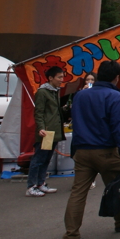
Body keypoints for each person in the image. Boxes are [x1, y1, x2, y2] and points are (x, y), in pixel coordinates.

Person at [62, 60, 120, 239]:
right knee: (115, 186)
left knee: (78, 193)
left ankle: (71, 235)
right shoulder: (115, 97)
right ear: (116, 77)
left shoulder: (80, 96)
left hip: (82, 150)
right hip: (106, 150)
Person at [27, 65, 66, 195]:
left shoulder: (56, 91)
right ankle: (31, 186)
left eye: (62, 77)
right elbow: (39, 112)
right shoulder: (42, 92)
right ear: (50, 78)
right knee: (39, 159)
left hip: (54, 131)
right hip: (46, 132)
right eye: (59, 77)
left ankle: (41, 183)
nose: (62, 79)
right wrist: (41, 128)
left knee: (46, 159)